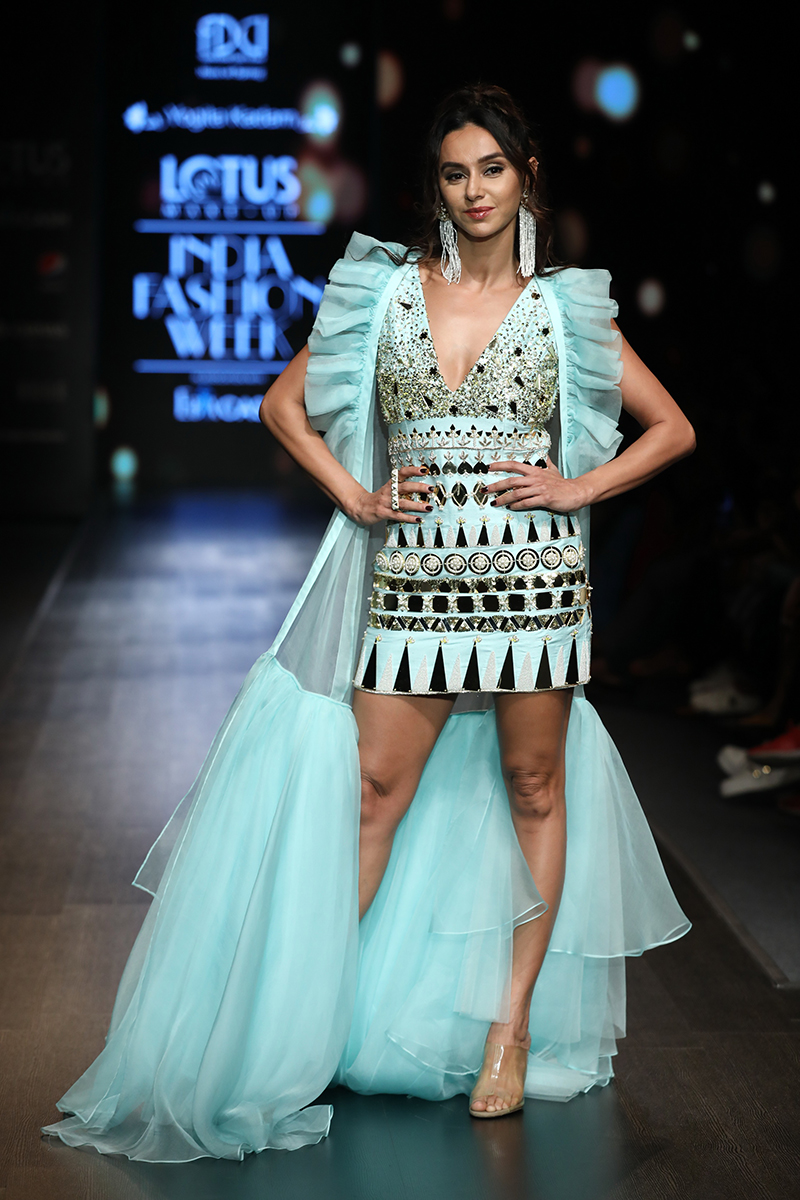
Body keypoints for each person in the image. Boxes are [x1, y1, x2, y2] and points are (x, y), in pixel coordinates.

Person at [42, 84, 693, 1161]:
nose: (474, 190)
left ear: (525, 178)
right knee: (370, 797)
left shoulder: (563, 310)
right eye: (455, 171)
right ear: (435, 184)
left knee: (535, 788)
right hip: (413, 579)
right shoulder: (386, 291)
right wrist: (356, 494)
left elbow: (671, 428)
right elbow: (280, 405)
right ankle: (288, 1032)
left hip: (533, 583)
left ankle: (509, 1029)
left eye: (492, 169)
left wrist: (579, 488)